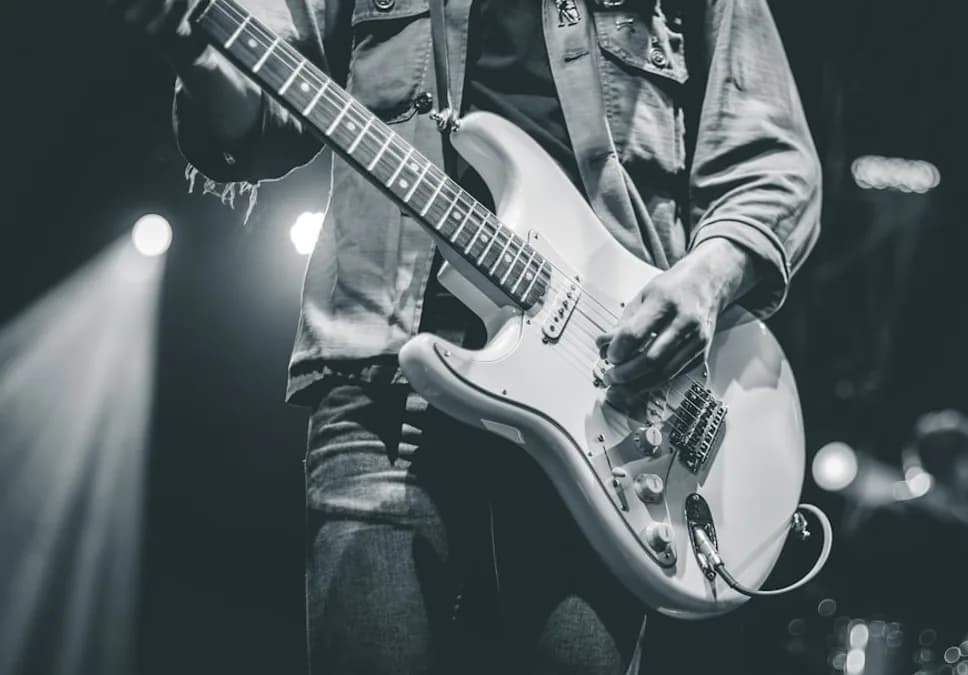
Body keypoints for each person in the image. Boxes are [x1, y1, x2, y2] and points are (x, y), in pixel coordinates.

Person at [111, 0, 822, 672]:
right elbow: (258, 112)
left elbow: (774, 159)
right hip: (381, 373)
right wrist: (195, 46)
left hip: (609, 397)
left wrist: (707, 278)